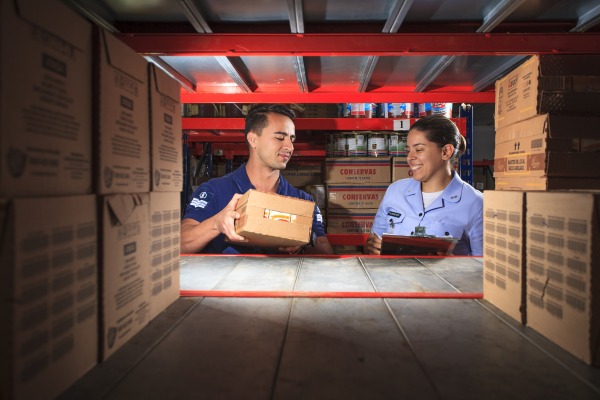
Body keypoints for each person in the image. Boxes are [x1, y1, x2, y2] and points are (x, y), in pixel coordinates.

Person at [181, 103, 334, 255]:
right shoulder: (214, 191)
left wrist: (304, 239)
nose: (289, 146)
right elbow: (180, 244)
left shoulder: (303, 202)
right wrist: (216, 223)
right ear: (253, 139)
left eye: (291, 139)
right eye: (280, 138)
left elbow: (326, 251)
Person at [365, 114, 483, 256]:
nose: (409, 157)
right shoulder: (395, 191)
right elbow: (372, 245)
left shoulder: (476, 204)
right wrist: (373, 248)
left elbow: (485, 268)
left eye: (419, 149)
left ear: (446, 152)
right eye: (408, 150)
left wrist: (455, 264)